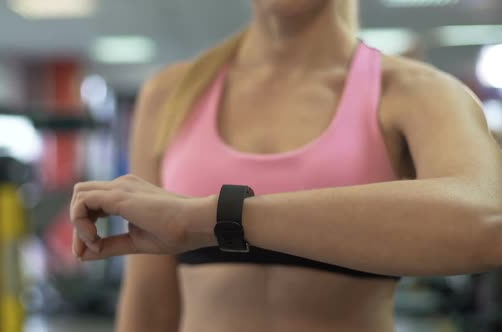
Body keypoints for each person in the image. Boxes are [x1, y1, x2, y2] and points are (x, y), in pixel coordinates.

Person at [70, 1, 502, 331]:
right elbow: (149, 300)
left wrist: (209, 218)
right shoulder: (172, 93)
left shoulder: (414, 92)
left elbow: (487, 220)